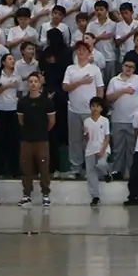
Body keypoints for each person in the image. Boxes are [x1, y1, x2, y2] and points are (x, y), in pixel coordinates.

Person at [62, 44, 103, 178]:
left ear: (89, 53)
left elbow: (100, 89)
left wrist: (99, 108)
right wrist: (81, 82)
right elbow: (65, 87)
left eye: (83, 50)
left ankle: (90, 168)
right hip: (73, 109)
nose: (80, 52)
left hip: (90, 111)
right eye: (78, 50)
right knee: (74, 140)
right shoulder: (70, 69)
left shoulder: (94, 69)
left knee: (90, 140)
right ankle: (76, 168)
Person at [16, 72, 56, 207]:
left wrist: (42, 131)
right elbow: (21, 120)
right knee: (26, 167)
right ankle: (26, 194)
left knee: (44, 167)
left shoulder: (47, 102)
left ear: (40, 84)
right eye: (31, 81)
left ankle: (45, 194)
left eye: (35, 81)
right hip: (26, 140)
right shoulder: (22, 102)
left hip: (41, 140)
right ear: (28, 84)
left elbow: (51, 121)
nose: (33, 84)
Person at [105, 59, 138, 180]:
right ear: (122, 66)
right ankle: (117, 171)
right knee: (118, 148)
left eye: (132, 67)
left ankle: (132, 172)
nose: (128, 68)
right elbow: (109, 97)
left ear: (134, 69)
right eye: (126, 66)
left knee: (132, 148)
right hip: (117, 119)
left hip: (134, 120)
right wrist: (123, 91)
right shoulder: (114, 80)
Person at [81, 96, 111, 206]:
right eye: (93, 106)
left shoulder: (105, 121)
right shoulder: (86, 122)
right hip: (90, 149)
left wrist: (103, 149)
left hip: (102, 147)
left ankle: (107, 173)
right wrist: (86, 134)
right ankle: (95, 196)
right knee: (91, 174)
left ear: (101, 108)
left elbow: (107, 137)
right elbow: (86, 139)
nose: (95, 108)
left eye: (97, 106)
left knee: (102, 164)